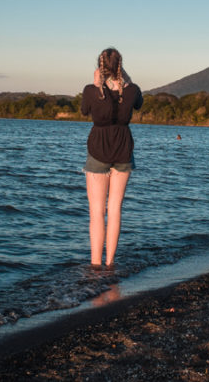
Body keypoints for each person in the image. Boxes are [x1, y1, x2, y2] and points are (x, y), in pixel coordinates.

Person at [80, 48, 143, 266]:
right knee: (115, 209)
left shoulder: (91, 90)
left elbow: (84, 110)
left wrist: (96, 83)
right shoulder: (132, 89)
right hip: (123, 149)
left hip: (98, 149)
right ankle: (110, 264)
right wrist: (127, 80)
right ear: (121, 66)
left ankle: (95, 265)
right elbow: (138, 102)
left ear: (100, 67)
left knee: (97, 212)